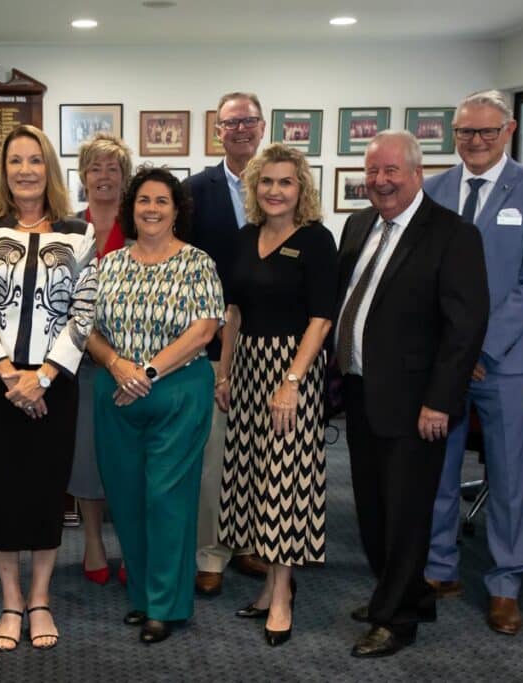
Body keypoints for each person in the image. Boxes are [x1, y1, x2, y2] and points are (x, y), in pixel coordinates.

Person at [336, 130, 488, 658]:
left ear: (418, 174)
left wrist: (441, 400)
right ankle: (407, 593)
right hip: (360, 391)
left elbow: (465, 328)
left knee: (405, 511)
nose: (380, 182)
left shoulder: (452, 234)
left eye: (391, 171)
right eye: (372, 172)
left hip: (416, 403)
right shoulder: (358, 227)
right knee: (373, 509)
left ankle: (395, 619)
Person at [424, 90, 523, 635]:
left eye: (486, 132)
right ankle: (440, 566)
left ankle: (506, 584)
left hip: (502, 364)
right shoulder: (433, 190)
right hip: (443, 360)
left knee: (507, 475)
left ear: (507, 131)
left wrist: (479, 350)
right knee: (439, 467)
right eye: (465, 132)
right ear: (453, 134)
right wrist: (450, 352)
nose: (475, 142)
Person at [0, 124, 97, 651]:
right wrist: (10, 377)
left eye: (34, 160)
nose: (24, 171)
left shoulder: (77, 233)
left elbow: (83, 314)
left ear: (48, 169)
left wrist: (41, 378)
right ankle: (10, 601)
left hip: (54, 383)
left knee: (44, 491)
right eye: (14, 161)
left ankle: (40, 598)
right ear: (4, 170)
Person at [90, 166, 223, 644]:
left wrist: (144, 372)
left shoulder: (197, 263)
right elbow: (85, 327)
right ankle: (144, 596)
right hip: (116, 390)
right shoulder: (108, 265)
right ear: (132, 208)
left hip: (176, 392)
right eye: (143, 200)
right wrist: (116, 365)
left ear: (176, 210)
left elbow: (204, 330)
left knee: (167, 498)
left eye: (161, 201)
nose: (151, 209)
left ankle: (167, 605)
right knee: (125, 497)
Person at [216, 144, 338, 646]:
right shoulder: (245, 238)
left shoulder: (316, 240)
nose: (274, 191)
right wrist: (223, 374)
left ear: (301, 188)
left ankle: (283, 593)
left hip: (294, 367)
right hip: (247, 365)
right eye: (266, 181)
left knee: (286, 479)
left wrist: (291, 381)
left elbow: (322, 317)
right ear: (254, 187)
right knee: (253, 476)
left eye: (285, 182)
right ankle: (268, 584)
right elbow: (233, 314)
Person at [185, 92, 269, 597]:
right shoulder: (196, 190)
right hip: (214, 341)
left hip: (272, 338)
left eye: (249, 121)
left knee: (261, 449)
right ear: (219, 130)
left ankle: (251, 543)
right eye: (231, 122)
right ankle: (211, 551)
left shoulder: (284, 182)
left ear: (263, 126)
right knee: (216, 453)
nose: (240, 129)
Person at [69, 133, 132, 586]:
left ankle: (130, 542)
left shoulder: (145, 223)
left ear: (125, 178)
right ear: (83, 176)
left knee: (130, 459)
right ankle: (93, 541)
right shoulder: (69, 229)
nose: (104, 176)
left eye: (113, 169)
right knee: (86, 458)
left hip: (134, 365)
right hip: (82, 362)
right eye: (96, 168)